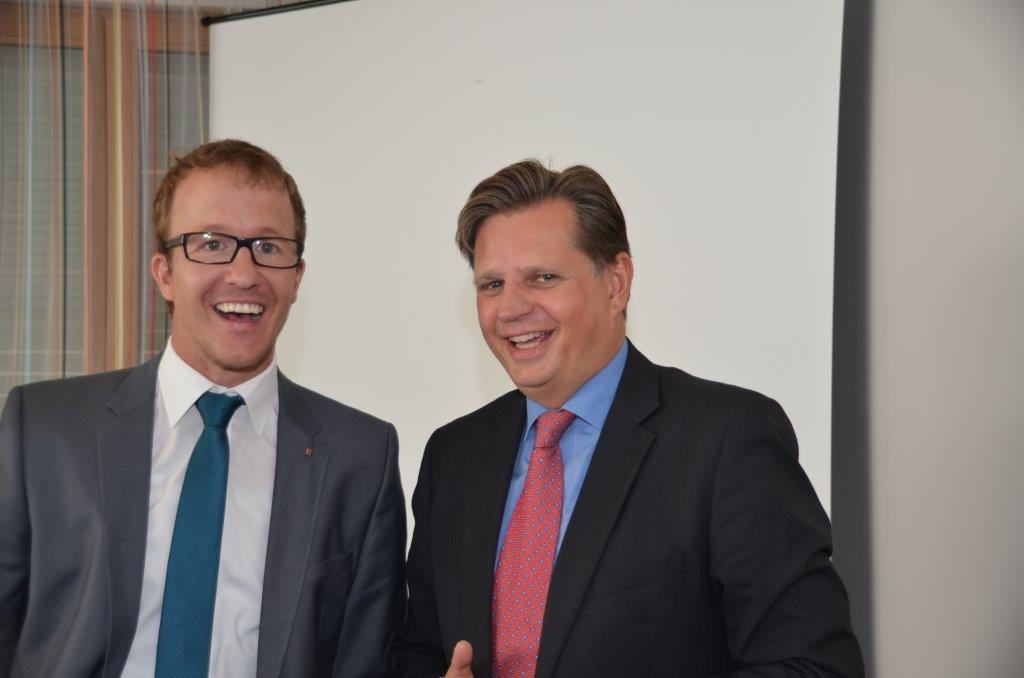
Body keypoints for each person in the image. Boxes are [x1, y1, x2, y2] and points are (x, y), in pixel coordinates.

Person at [393, 160, 863, 677]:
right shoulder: (454, 457)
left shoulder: (727, 439)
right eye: (492, 285)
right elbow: (419, 650)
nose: (510, 309)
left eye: (543, 278)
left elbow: (813, 666)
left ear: (616, 283)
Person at [0, 139, 405, 678]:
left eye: (268, 246)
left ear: (297, 278)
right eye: (211, 244)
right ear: (165, 274)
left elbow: (365, 659)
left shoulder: (362, 457)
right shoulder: (43, 427)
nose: (244, 273)